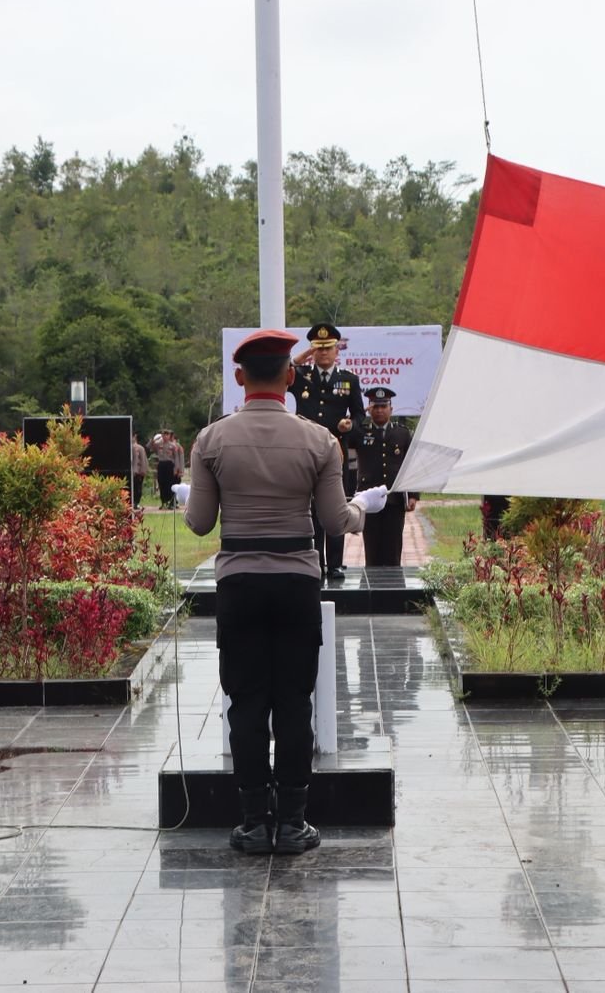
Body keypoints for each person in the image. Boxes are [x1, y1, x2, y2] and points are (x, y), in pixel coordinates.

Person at [179, 328, 387, 854]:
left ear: (240, 378)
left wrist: (187, 496)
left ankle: (253, 821)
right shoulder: (320, 441)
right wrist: (366, 507)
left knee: (246, 703)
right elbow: (335, 522)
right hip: (296, 581)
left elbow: (201, 524)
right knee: (294, 703)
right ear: (291, 378)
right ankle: (292, 822)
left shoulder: (211, 440)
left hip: (240, 583)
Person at [292, 323, 364, 580]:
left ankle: (334, 563)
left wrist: (350, 426)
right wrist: (300, 358)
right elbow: (279, 374)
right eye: (318, 349)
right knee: (308, 509)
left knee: (335, 506)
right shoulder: (301, 376)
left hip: (336, 452)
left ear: (337, 351)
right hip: (306, 452)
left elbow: (359, 416)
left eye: (328, 348)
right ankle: (314, 561)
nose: (323, 354)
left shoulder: (348, 379)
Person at [353, 387, 419, 567]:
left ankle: (394, 589)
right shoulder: (361, 433)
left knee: (393, 545)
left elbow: (411, 464)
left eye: (383, 406)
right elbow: (347, 435)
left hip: (394, 497)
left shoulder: (402, 433)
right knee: (372, 547)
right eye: (375, 407)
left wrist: (413, 495)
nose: (379, 410)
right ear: (369, 409)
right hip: (369, 498)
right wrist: (359, 416)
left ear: (391, 409)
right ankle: (371, 591)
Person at [154, 429, 185, 508]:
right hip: (162, 465)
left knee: (170, 485)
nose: (166, 436)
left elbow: (179, 458)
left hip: (170, 466)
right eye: (164, 434)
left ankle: (172, 502)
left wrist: (179, 470)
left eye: (168, 435)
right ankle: (164, 501)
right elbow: (151, 446)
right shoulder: (159, 444)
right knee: (162, 483)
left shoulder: (175, 446)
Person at [130, 432, 149, 508]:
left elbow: (144, 460)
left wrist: (143, 471)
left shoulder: (140, 448)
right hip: (131, 471)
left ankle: (136, 502)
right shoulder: (129, 447)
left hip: (138, 471)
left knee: (137, 488)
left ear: (135, 436)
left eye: (132, 436)